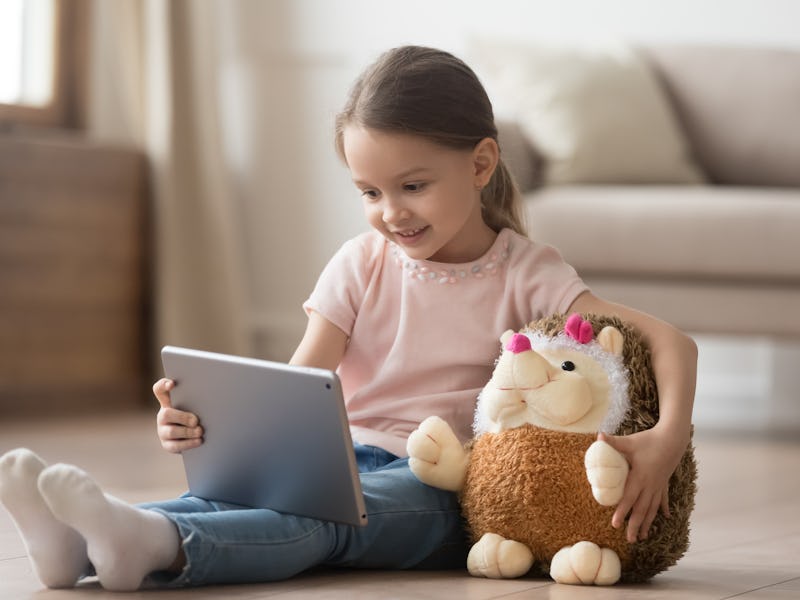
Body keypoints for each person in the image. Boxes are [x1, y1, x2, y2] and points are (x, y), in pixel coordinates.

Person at [0, 45, 697, 591]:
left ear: (481, 163)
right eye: (369, 192)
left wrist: (665, 441)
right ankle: (82, 545)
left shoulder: (527, 271)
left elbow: (674, 343)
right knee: (252, 501)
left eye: (412, 186)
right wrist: (204, 424)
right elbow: (297, 385)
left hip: (443, 486)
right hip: (337, 461)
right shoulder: (360, 262)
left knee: (323, 523)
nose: (391, 213)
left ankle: (155, 546)